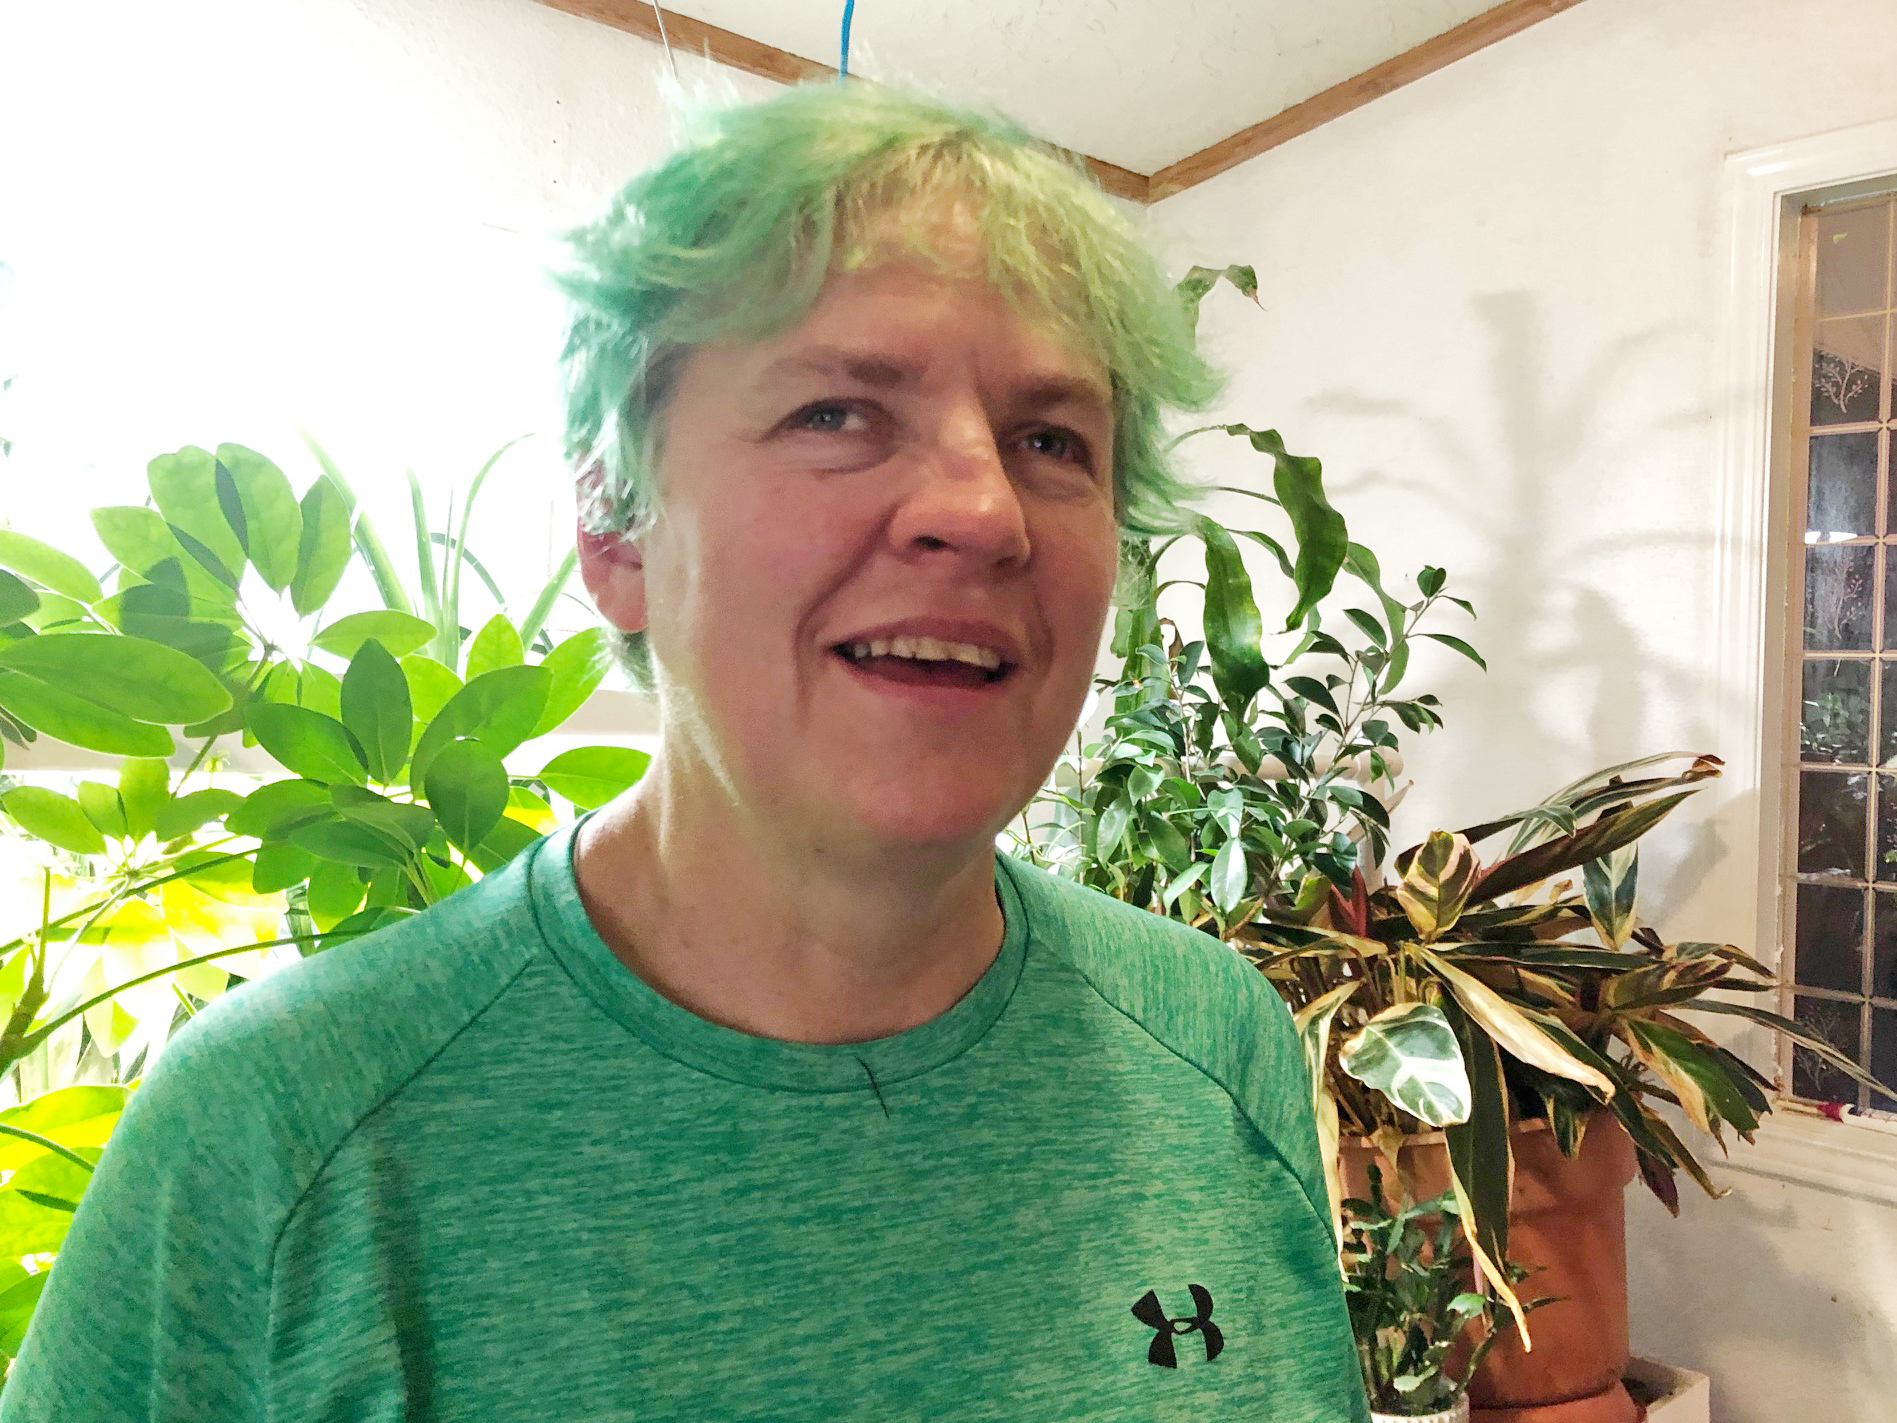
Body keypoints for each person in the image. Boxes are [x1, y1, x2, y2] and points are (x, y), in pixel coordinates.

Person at [2, 82, 1368, 1421]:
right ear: (615, 532)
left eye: (1049, 439)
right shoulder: (280, 1130)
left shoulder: (1211, 1035)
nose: (981, 507)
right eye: (837, 412)